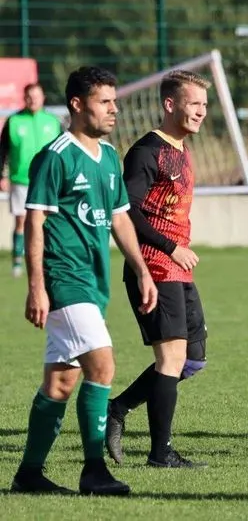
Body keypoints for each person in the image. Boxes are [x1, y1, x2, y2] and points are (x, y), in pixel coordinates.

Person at [10, 66, 157, 495]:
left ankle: (28, 476)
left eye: (114, 100)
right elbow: (34, 221)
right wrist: (36, 285)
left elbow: (119, 218)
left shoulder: (109, 156)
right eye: (104, 101)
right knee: (103, 363)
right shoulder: (54, 156)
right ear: (77, 104)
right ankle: (94, 469)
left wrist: (143, 268)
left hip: (94, 283)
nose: (114, 109)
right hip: (64, 278)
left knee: (61, 382)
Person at [105, 70, 211, 469]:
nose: (202, 111)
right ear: (171, 104)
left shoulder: (181, 147)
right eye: (194, 104)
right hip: (154, 267)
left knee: (193, 360)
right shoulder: (148, 151)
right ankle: (160, 453)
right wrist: (170, 247)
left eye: (204, 104)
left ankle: (117, 409)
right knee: (171, 359)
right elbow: (127, 210)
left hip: (178, 268)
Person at [0, 83, 62, 278]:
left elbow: (63, 151)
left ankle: (47, 258)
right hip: (21, 179)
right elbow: (3, 151)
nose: (33, 99)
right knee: (22, 221)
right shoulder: (14, 121)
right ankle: (17, 262)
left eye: (36, 96)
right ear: (24, 98)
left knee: (47, 222)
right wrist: (2, 176)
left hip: (47, 180)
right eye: (29, 96)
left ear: (43, 97)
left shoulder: (53, 121)